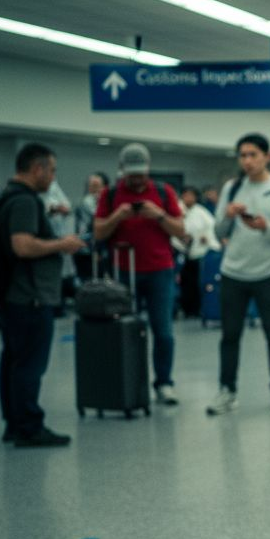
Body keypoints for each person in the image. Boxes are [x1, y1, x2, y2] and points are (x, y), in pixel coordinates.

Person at [204, 135, 270, 415]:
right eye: (243, 155)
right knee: (230, 335)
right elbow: (217, 233)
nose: (247, 161)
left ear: (267, 156)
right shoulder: (232, 188)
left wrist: (266, 227)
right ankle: (227, 391)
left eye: (253, 155)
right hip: (234, 272)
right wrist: (229, 217)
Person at [0, 144, 85, 446]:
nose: (52, 176)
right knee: (29, 365)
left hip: (13, 296)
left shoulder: (7, 198)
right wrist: (61, 244)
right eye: (52, 170)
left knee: (13, 361)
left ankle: (14, 423)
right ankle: (30, 426)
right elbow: (22, 245)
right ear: (38, 169)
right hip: (30, 297)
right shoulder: (25, 202)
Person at [93, 142, 187, 405]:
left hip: (160, 271)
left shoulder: (163, 192)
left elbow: (180, 230)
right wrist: (117, 217)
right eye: (131, 175)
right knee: (124, 330)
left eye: (141, 174)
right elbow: (99, 231)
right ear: (122, 171)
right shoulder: (110, 195)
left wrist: (158, 215)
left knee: (163, 331)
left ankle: (164, 382)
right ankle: (127, 381)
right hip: (124, 271)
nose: (137, 180)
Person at [172, 186, 217, 318]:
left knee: (195, 282)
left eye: (192, 195)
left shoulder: (201, 212)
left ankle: (195, 309)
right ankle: (180, 308)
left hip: (197, 252)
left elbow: (210, 228)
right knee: (180, 282)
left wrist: (206, 238)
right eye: (186, 195)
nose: (189, 198)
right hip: (178, 249)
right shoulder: (177, 209)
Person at [38, 177, 77, 310]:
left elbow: (67, 206)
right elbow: (43, 209)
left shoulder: (54, 188)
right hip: (45, 241)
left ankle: (60, 304)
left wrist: (62, 209)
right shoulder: (34, 194)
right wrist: (53, 209)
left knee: (63, 274)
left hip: (61, 237)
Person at [73, 172, 108, 283]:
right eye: (91, 186)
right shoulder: (87, 203)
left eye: (97, 186)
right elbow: (90, 227)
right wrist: (95, 250)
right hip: (86, 252)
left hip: (99, 252)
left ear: (105, 187)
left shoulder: (105, 202)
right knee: (89, 286)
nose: (94, 189)